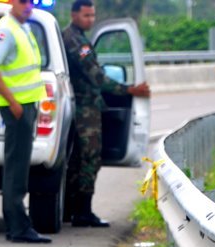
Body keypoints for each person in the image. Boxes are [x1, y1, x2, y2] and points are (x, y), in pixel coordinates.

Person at [62, 0, 151, 227]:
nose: (90, 20)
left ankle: (71, 209)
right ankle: (82, 212)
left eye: (92, 16)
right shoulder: (75, 41)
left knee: (78, 161)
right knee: (89, 159)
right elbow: (97, 77)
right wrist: (129, 89)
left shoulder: (78, 38)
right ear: (74, 15)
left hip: (85, 107)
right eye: (86, 16)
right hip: (84, 110)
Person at [0, 0, 51, 244]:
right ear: (12, 2)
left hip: (24, 105)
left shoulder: (23, 28)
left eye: (31, 1)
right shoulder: (7, 30)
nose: (28, 6)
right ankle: (18, 226)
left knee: (20, 166)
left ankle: (17, 226)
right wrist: (12, 102)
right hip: (17, 107)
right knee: (16, 167)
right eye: (23, 1)